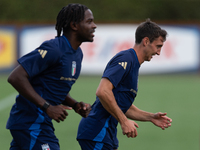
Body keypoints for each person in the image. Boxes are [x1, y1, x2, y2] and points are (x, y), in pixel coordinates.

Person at [6, 3, 96, 150]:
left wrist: (74, 104)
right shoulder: (54, 49)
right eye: (89, 21)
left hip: (36, 123)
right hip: (30, 123)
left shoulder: (77, 54)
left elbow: (53, 86)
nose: (94, 26)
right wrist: (47, 107)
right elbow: (15, 77)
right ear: (74, 25)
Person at [77, 19, 172, 150]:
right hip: (97, 131)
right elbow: (102, 91)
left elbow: (122, 105)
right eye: (158, 46)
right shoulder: (126, 59)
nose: (159, 52)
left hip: (106, 133)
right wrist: (124, 121)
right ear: (146, 41)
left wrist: (151, 117)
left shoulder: (133, 63)